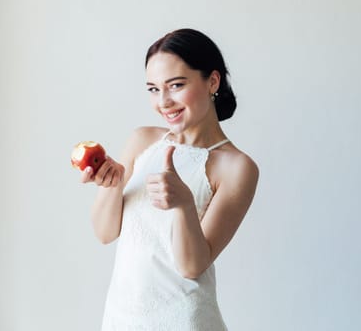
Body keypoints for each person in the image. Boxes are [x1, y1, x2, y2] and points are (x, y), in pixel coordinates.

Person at [79, 28, 259, 330]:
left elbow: (192, 265)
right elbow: (105, 233)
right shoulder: (142, 140)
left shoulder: (237, 168)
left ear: (212, 81)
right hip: (121, 318)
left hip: (184, 321)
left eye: (175, 85)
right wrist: (111, 186)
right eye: (152, 89)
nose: (163, 101)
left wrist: (185, 204)